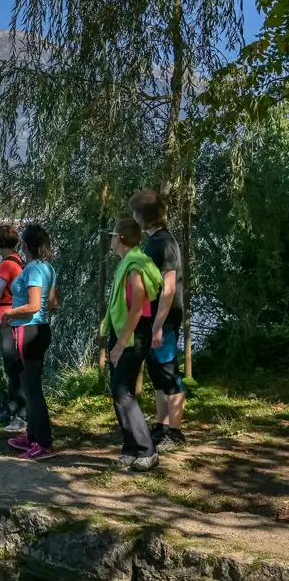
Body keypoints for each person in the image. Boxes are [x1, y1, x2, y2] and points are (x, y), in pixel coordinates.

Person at [101, 217, 162, 471]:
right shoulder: (129, 262)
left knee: (122, 391)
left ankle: (147, 449)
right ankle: (130, 448)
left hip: (133, 335)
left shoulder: (135, 266)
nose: (111, 240)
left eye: (113, 235)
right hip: (123, 332)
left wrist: (120, 344)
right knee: (118, 391)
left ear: (121, 239)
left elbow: (137, 309)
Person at [130, 190, 187, 451]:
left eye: (134, 213)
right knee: (158, 374)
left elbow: (169, 287)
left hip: (163, 320)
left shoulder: (164, 243)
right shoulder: (154, 241)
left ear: (142, 217)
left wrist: (158, 325)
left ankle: (175, 433)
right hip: (154, 318)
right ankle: (162, 426)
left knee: (169, 373)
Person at [0, 224, 58, 460]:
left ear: (27, 245)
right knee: (29, 385)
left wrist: (9, 314)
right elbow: (52, 303)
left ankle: (43, 443)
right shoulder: (47, 267)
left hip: (27, 330)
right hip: (39, 328)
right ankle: (32, 437)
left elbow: (34, 306)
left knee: (32, 390)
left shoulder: (33, 268)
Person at [0, 224, 26, 433]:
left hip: (6, 319)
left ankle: (20, 414)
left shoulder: (5, 265)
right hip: (17, 317)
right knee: (14, 366)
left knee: (12, 366)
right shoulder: (20, 260)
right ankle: (11, 409)